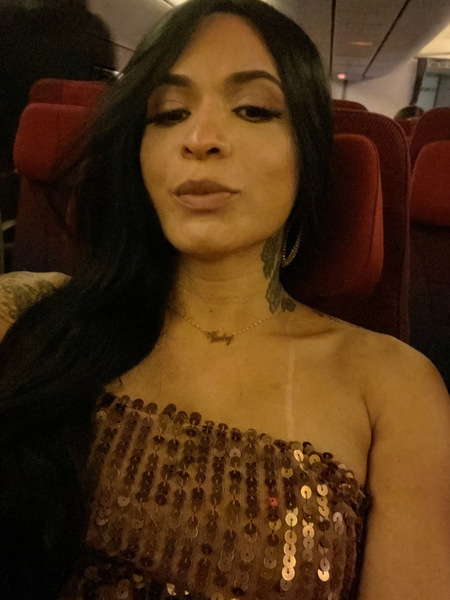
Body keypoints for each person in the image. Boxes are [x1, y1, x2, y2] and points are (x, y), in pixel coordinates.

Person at [0, 1, 448, 599]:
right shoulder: (36, 320)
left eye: (253, 109)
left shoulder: (396, 389)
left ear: (307, 152)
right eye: (169, 113)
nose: (200, 139)